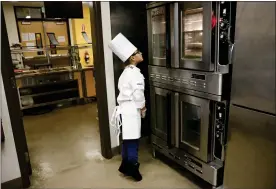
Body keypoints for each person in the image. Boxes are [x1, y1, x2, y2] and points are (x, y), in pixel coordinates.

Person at [109, 33, 146, 182]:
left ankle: (125, 166)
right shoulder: (134, 74)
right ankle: (133, 168)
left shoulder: (126, 73)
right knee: (133, 140)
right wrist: (142, 107)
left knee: (127, 139)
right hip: (132, 110)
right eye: (138, 52)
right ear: (132, 58)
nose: (141, 53)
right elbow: (138, 94)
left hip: (125, 109)